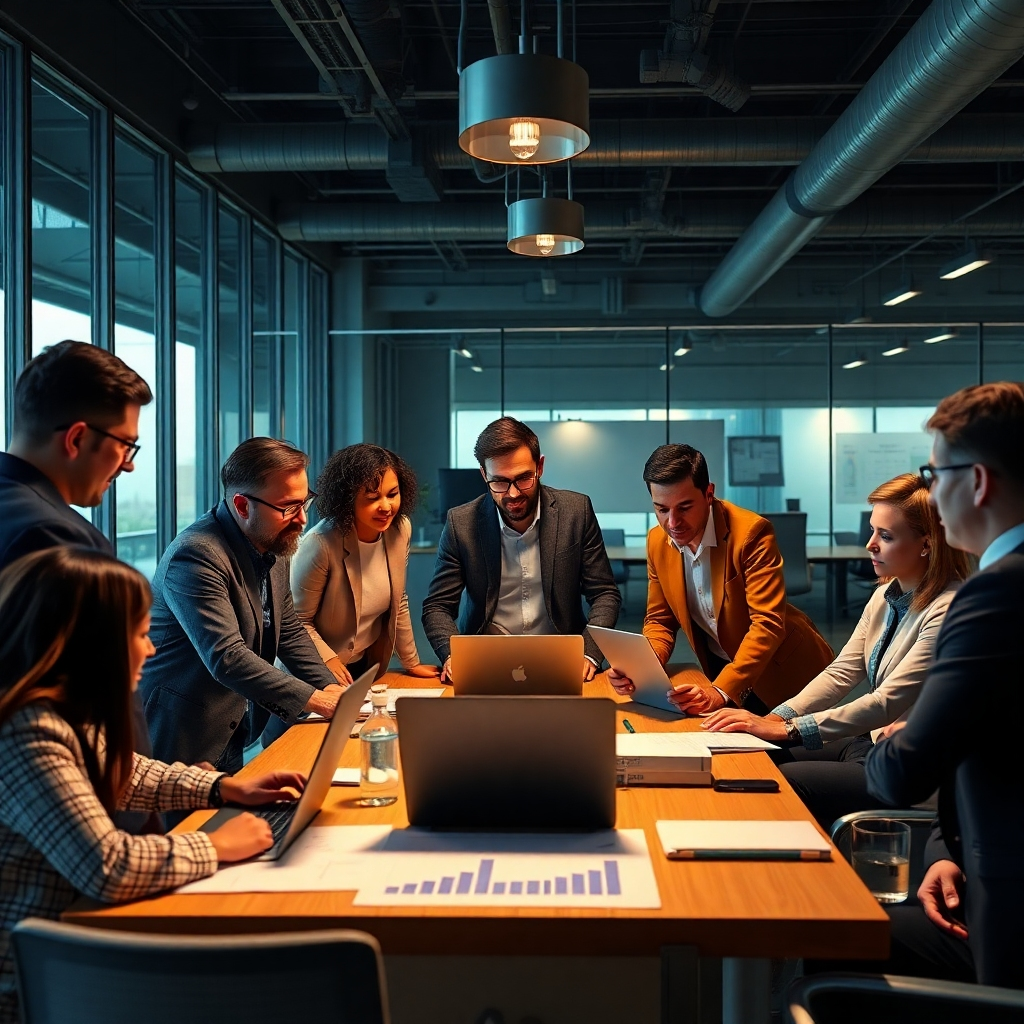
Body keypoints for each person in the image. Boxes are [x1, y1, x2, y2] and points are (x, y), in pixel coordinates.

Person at [0, 547, 306, 1024]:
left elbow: (127, 773)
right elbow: (109, 865)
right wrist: (213, 845)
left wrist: (224, 789)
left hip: (70, 950)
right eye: (140, 635)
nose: (151, 648)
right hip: (34, 984)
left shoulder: (60, 713)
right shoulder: (28, 732)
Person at [861, 382, 1024, 989]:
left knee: (837, 934)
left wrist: (893, 740)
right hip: (973, 857)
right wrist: (944, 850)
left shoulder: (995, 593)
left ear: (977, 482)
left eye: (937, 472)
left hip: (1004, 910)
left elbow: (903, 771)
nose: (932, 490)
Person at [701, 472, 970, 829]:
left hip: (910, 769)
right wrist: (776, 719)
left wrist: (790, 731)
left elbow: (885, 702)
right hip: (872, 744)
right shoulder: (886, 595)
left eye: (885, 536)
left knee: (784, 782)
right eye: (873, 530)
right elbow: (842, 671)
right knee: (755, 751)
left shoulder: (948, 609)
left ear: (927, 544)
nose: (870, 544)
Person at [0, 339, 158, 833]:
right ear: (75, 439)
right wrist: (140, 821)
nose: (128, 465)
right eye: (125, 446)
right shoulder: (59, 538)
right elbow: (94, 701)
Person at [140, 438, 343, 772]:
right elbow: (226, 656)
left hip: (232, 725)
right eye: (288, 507)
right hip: (181, 734)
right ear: (243, 505)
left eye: (305, 502)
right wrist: (318, 700)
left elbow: (288, 628)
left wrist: (335, 692)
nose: (302, 519)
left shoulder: (273, 539)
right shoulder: (196, 555)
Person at [610, 444, 833, 714]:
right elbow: (660, 620)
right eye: (662, 510)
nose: (672, 522)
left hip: (783, 669)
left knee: (787, 753)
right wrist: (643, 666)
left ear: (709, 494)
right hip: (720, 666)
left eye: (684, 507)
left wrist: (721, 690)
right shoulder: (657, 541)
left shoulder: (752, 534)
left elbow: (767, 624)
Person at [422, 416, 621, 682]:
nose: (513, 493)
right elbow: (437, 606)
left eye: (523, 478)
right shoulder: (461, 523)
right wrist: (452, 655)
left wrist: (589, 653)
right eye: (500, 482)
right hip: (484, 660)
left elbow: (605, 594)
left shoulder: (576, 511)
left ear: (540, 466)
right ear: (484, 474)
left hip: (562, 660)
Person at [291, 444, 440, 683]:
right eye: (372, 498)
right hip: (311, 672)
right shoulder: (320, 543)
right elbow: (297, 621)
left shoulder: (400, 530)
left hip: (363, 666)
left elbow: (398, 600)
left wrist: (412, 663)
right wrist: (328, 660)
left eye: (392, 494)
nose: (386, 507)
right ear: (347, 499)